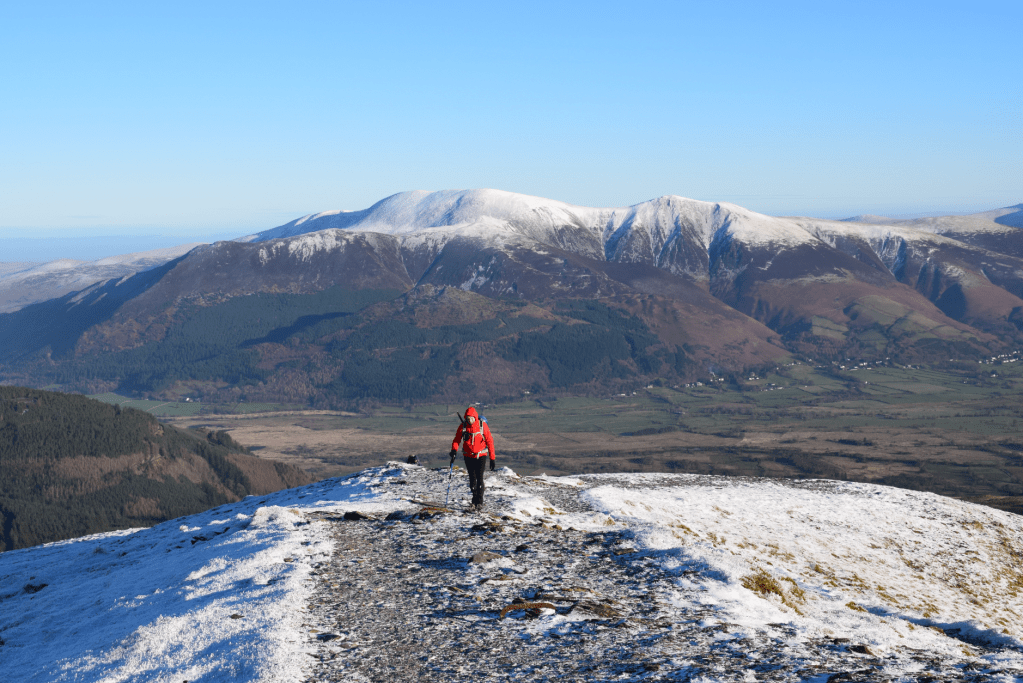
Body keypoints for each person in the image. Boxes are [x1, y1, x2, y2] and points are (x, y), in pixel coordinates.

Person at [449, 406, 495, 511]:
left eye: (471, 418)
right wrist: (454, 450)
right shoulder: (463, 426)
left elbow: (490, 441)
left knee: (480, 478)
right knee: (472, 479)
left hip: (481, 456)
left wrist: (492, 458)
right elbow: (456, 440)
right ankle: (474, 501)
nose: (470, 420)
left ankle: (479, 502)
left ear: (475, 417)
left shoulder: (482, 426)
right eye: (468, 418)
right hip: (468, 456)